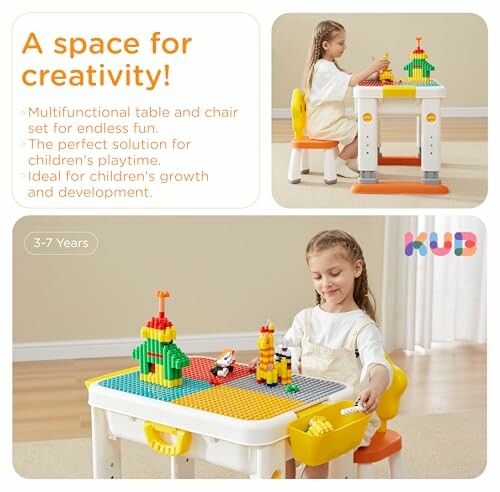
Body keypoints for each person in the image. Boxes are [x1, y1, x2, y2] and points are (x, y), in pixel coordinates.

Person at [249, 230, 392, 479]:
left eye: (334, 273)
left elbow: (377, 365)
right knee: (278, 439)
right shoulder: (305, 319)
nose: (325, 283)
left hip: (347, 415)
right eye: (317, 276)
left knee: (318, 446)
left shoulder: (362, 326)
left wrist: (375, 389)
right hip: (306, 406)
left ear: (356, 268)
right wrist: (269, 362)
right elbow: (288, 355)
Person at [304, 20, 389, 178]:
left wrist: (373, 75)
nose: (345, 47)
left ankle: (347, 163)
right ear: (326, 45)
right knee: (366, 130)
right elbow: (352, 81)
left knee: (364, 126)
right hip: (324, 124)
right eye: (340, 43)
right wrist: (373, 68)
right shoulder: (324, 68)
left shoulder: (326, 65)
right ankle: (339, 163)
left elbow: (348, 80)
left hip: (324, 121)